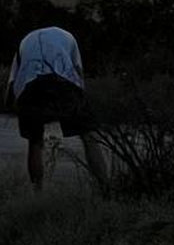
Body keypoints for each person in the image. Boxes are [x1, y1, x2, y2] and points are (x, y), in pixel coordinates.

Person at [7, 26, 108, 189]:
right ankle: (105, 188)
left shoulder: (25, 41)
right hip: (63, 82)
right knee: (89, 136)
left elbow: (13, 83)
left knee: (34, 141)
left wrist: (20, 110)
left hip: (31, 86)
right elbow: (78, 73)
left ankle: (37, 192)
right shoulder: (68, 37)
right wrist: (82, 108)